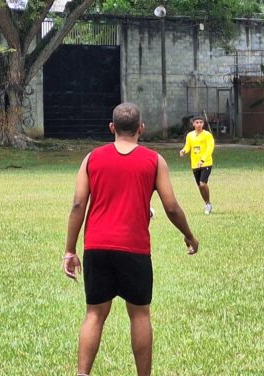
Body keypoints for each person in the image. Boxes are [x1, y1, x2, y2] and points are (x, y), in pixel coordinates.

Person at [62, 102, 199, 376]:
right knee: (139, 314)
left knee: (94, 314)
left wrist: (69, 250)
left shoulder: (92, 159)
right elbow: (172, 207)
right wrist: (189, 236)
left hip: (97, 247)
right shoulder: (153, 161)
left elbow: (78, 205)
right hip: (134, 249)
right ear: (141, 128)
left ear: (112, 128)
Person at [180, 115, 215, 214]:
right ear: (193, 124)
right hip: (195, 164)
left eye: (201, 122)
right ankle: (207, 204)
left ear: (203, 124)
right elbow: (188, 147)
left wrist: (203, 160)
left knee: (202, 184)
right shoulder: (190, 135)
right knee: (200, 186)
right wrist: (183, 151)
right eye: (197, 122)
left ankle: (208, 204)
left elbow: (210, 148)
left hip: (206, 163)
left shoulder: (207, 135)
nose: (199, 124)